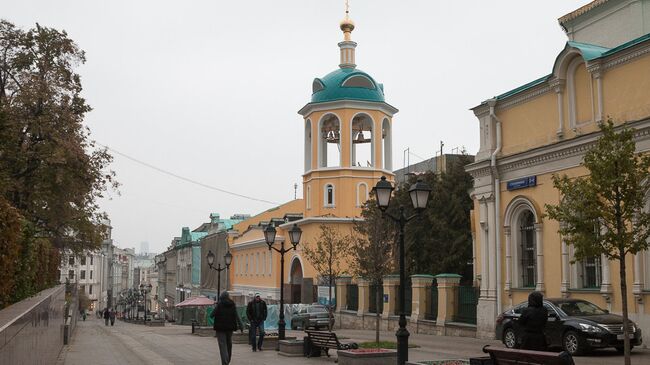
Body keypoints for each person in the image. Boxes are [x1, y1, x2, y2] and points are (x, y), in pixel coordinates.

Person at [212, 291, 243, 365]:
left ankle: (225, 362)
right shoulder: (232, 304)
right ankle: (228, 359)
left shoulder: (219, 305)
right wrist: (241, 326)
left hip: (220, 329)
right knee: (229, 344)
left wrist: (215, 306)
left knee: (222, 345)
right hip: (230, 328)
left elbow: (211, 315)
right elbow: (237, 316)